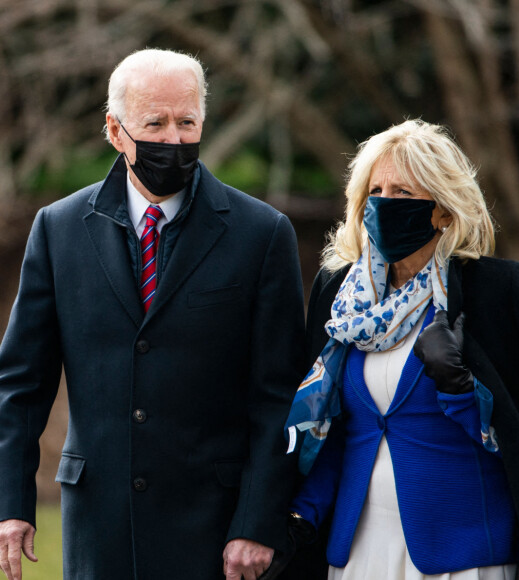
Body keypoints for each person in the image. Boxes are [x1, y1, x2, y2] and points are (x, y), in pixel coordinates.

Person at [0, 48, 306, 580]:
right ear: (115, 131)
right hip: (99, 526)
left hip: (214, 529)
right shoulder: (58, 229)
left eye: (187, 122)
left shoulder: (262, 234)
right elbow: (21, 385)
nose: (173, 140)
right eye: (155, 123)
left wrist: (258, 519)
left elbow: (278, 393)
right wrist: (10, 503)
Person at [281, 119, 519, 579]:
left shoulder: (492, 290)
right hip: (357, 551)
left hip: (464, 554)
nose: (384, 203)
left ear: (443, 209)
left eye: (402, 192)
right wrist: (301, 512)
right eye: (374, 191)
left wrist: (461, 389)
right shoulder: (338, 296)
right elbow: (330, 430)